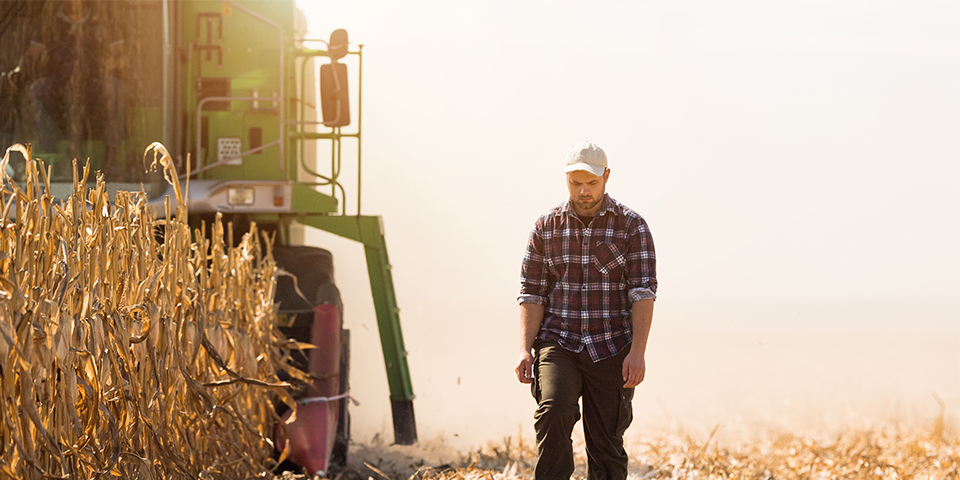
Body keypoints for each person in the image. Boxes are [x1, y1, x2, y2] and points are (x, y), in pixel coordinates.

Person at [515, 141, 657, 479]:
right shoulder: (545, 227)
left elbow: (643, 293)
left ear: (606, 177)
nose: (583, 191)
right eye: (575, 183)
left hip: (610, 345)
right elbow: (531, 292)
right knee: (553, 412)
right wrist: (523, 348)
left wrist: (637, 353)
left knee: (606, 443)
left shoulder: (631, 227)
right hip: (558, 341)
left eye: (591, 183)